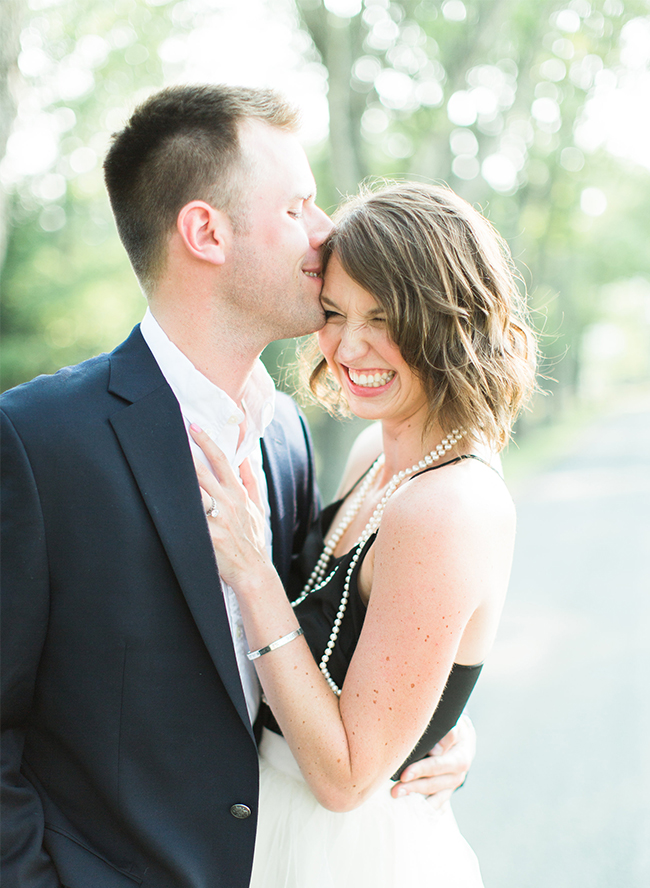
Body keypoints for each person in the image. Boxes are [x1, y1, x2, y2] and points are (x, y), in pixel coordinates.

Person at [1, 87, 474, 888]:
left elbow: (321, 645)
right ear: (206, 231)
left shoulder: (284, 433)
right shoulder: (36, 440)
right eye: (297, 207)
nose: (326, 232)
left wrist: (434, 726)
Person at [192, 181, 537, 887]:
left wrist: (253, 574)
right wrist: (434, 726)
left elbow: (349, 777)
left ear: (449, 318)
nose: (350, 347)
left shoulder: (446, 504)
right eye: (334, 313)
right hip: (278, 823)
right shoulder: (374, 458)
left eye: (383, 316)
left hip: (350, 855)